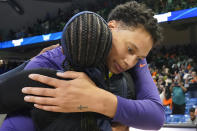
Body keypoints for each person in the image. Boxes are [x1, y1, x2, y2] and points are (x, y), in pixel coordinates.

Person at [0, 1, 165, 130]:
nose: (130, 62)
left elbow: (156, 117)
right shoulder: (51, 62)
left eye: (139, 58)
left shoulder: (129, 61)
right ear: (111, 27)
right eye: (130, 49)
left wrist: (97, 99)